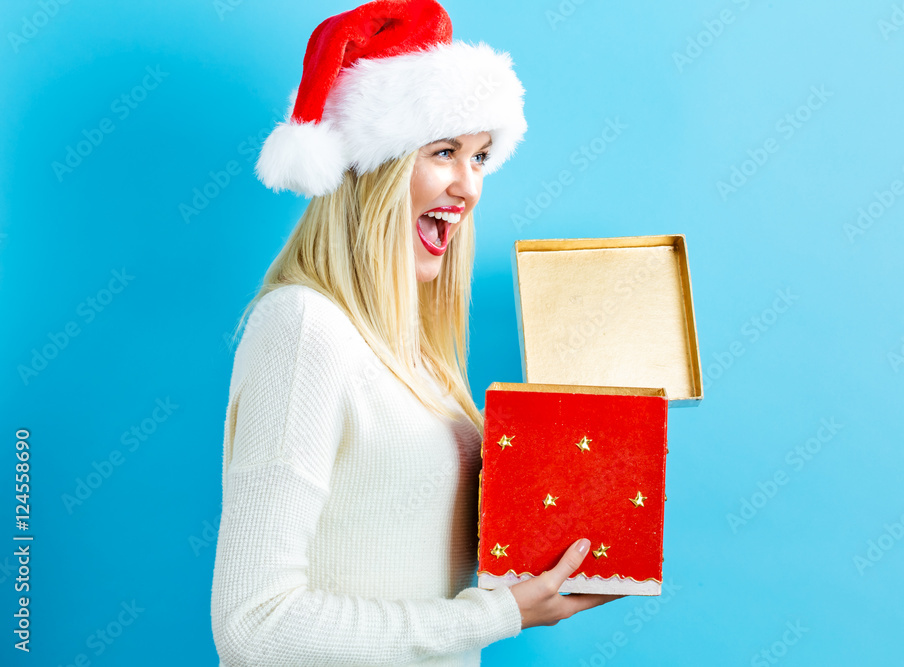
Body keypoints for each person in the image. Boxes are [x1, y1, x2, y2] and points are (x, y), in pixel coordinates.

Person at [210, 1, 621, 665]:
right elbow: (254, 626)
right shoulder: (303, 327)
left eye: (480, 156)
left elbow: (406, 556)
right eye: (443, 152)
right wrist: (502, 613)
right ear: (373, 171)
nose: (469, 185)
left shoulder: (422, 359)